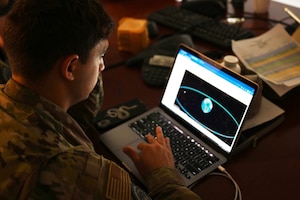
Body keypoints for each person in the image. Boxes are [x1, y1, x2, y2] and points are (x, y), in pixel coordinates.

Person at [0, 0, 201, 199]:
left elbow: (75, 119)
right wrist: (162, 174)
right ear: (70, 67)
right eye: (101, 56)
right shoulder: (76, 171)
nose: (102, 66)